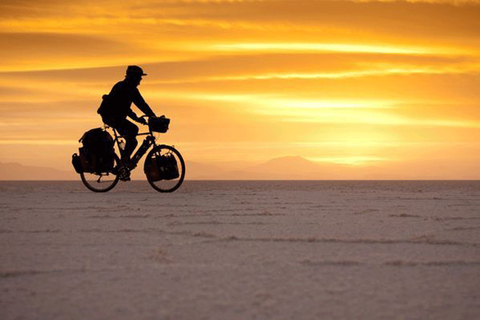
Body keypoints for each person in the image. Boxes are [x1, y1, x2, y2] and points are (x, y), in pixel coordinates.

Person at [98, 65, 156, 166]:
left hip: (118, 116)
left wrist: (153, 116)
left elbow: (142, 104)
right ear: (133, 77)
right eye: (139, 77)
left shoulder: (132, 89)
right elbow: (124, 109)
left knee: (133, 132)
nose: (140, 80)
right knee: (133, 134)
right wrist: (137, 119)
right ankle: (124, 161)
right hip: (110, 116)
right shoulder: (122, 87)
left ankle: (124, 159)